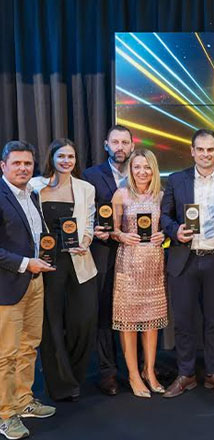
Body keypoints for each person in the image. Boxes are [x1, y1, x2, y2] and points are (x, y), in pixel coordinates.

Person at [160, 129, 214, 398]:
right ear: (192, 151)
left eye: (210, 149)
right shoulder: (176, 179)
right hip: (185, 258)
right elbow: (164, 216)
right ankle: (186, 373)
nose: (205, 154)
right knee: (183, 321)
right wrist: (174, 231)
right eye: (200, 149)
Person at [30, 139, 98, 402]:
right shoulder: (35, 186)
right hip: (48, 263)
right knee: (51, 324)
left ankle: (74, 374)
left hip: (79, 260)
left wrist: (86, 241)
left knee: (84, 320)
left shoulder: (86, 188)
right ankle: (61, 384)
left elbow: (89, 224)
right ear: (52, 158)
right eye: (61, 156)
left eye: (71, 156)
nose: (66, 161)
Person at [0, 141, 56, 440]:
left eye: (28, 164)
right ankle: (5, 414)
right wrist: (25, 263)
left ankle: (23, 401)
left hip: (35, 282)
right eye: (17, 163)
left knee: (28, 346)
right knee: (5, 354)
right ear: (3, 166)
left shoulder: (31, 194)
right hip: (8, 287)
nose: (23, 168)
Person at [109, 149, 168, 398]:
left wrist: (163, 236)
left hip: (154, 264)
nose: (142, 172)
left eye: (147, 167)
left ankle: (149, 371)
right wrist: (122, 235)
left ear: (153, 170)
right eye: (137, 167)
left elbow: (167, 229)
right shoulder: (120, 194)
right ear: (130, 170)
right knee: (128, 322)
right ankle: (133, 374)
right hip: (129, 265)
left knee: (151, 322)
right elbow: (112, 230)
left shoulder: (161, 195)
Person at [82, 124, 135, 396]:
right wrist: (94, 229)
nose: (120, 147)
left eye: (125, 142)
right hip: (104, 251)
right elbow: (83, 212)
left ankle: (137, 368)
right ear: (106, 145)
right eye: (115, 142)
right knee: (104, 311)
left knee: (135, 310)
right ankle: (108, 372)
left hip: (136, 254)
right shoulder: (91, 175)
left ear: (132, 146)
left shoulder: (141, 172)